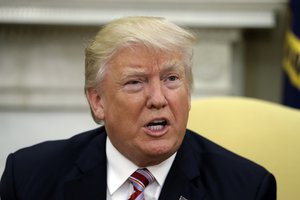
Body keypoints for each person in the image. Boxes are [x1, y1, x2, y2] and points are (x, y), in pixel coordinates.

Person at [0, 16, 276, 200]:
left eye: (171, 79)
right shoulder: (28, 177)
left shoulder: (246, 188)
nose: (158, 98)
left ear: (188, 93)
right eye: (135, 82)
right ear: (97, 102)